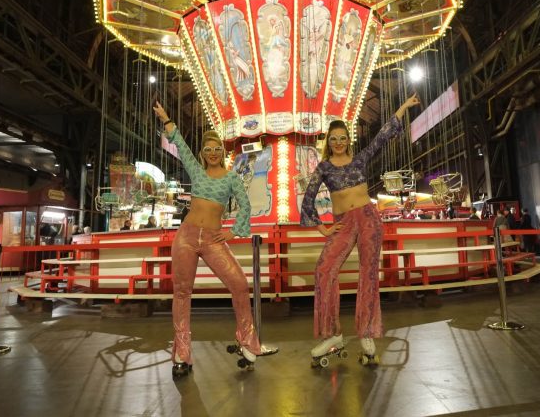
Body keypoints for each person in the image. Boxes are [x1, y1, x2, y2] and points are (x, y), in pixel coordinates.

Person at [153, 101, 274, 379]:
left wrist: (234, 231)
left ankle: (247, 341)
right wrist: (167, 118)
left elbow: (245, 206)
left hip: (212, 239)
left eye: (216, 149)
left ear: (222, 151)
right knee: (182, 293)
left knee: (240, 284)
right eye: (207, 150)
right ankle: (182, 353)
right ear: (203, 154)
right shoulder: (196, 171)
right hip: (186, 236)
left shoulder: (232, 179)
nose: (212, 153)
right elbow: (180, 144)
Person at [301, 94, 420, 364]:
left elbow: (382, 136)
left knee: (368, 274)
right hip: (343, 222)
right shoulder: (324, 167)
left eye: (343, 138)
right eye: (334, 139)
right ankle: (332, 334)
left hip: (368, 218)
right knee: (324, 269)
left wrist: (402, 107)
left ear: (348, 140)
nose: (339, 142)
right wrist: (321, 227)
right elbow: (308, 198)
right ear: (328, 143)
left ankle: (366, 332)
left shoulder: (359, 159)